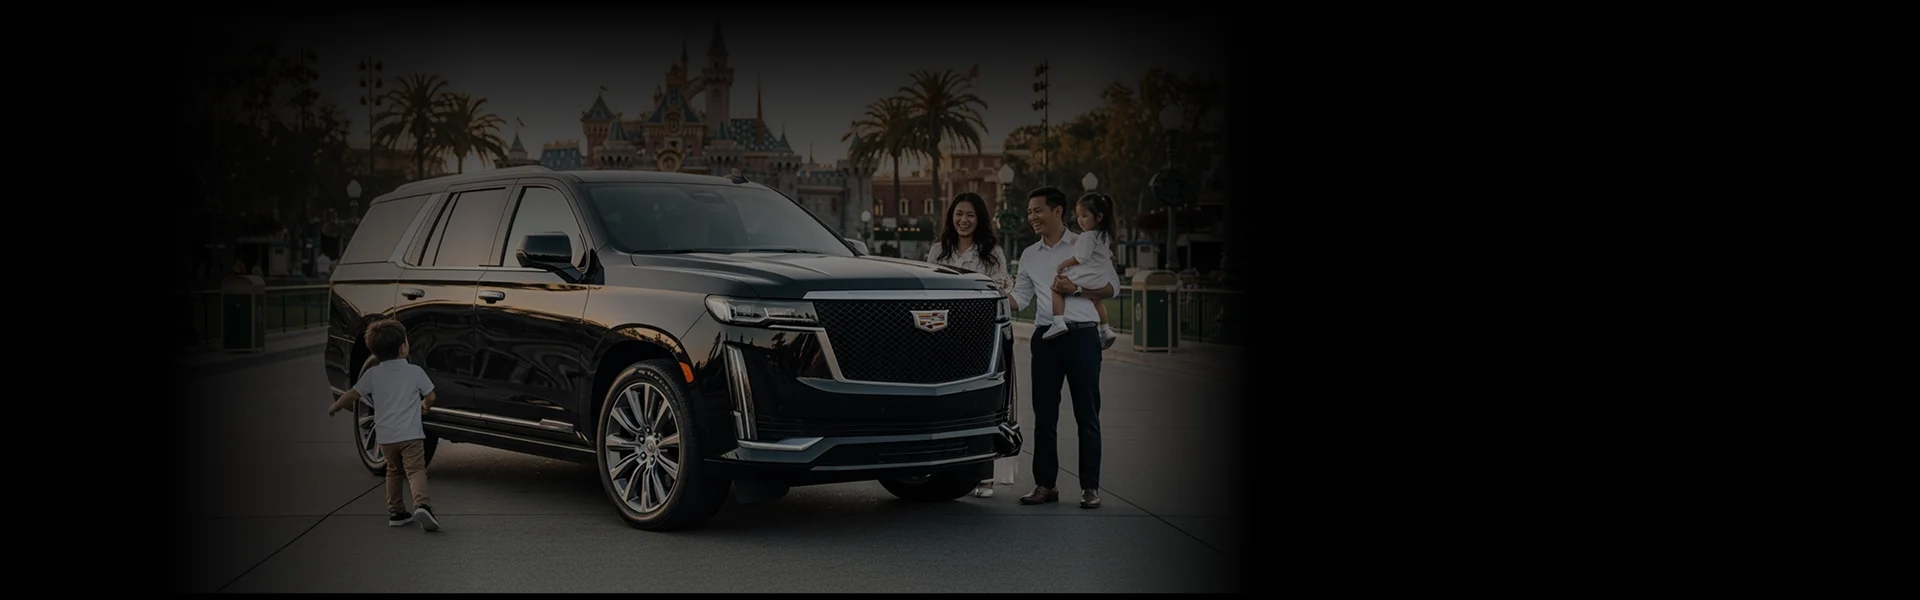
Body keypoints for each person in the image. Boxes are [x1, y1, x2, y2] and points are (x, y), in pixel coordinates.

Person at [1008, 186, 1118, 509]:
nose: (1032, 217)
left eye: (1037, 210)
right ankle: (1045, 485)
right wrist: (994, 297)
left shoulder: (1088, 242)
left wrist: (1077, 289)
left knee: (1088, 416)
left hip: (1082, 337)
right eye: (1029, 212)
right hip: (1046, 339)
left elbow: (1113, 287)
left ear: (1058, 211)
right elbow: (1021, 298)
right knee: (1044, 416)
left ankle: (1090, 488)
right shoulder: (1029, 255)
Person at [923, 192, 1019, 498]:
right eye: (959, 214)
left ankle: (985, 476)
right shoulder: (939, 250)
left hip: (978, 336)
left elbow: (1000, 289)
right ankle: (941, 468)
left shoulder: (991, 252)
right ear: (951, 216)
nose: (963, 220)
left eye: (971, 215)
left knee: (981, 404)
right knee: (947, 407)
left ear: (980, 220)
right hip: (940, 337)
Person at [327, 319, 442, 531]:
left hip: (386, 438)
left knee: (393, 471)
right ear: (403, 347)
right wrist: (425, 404)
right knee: (416, 470)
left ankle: (396, 512)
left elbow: (353, 394)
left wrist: (335, 406)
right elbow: (431, 395)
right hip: (411, 435)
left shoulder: (372, 374)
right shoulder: (415, 372)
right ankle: (422, 505)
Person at [1040, 193, 1120, 349]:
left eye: (1084, 216)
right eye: (1078, 216)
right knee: (1096, 300)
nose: (1080, 220)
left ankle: (1058, 322)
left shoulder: (1087, 236)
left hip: (1086, 278)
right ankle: (1105, 329)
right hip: (1099, 278)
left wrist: (1065, 263)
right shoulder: (1103, 236)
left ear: (1098, 217)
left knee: (1057, 287)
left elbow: (1081, 257)